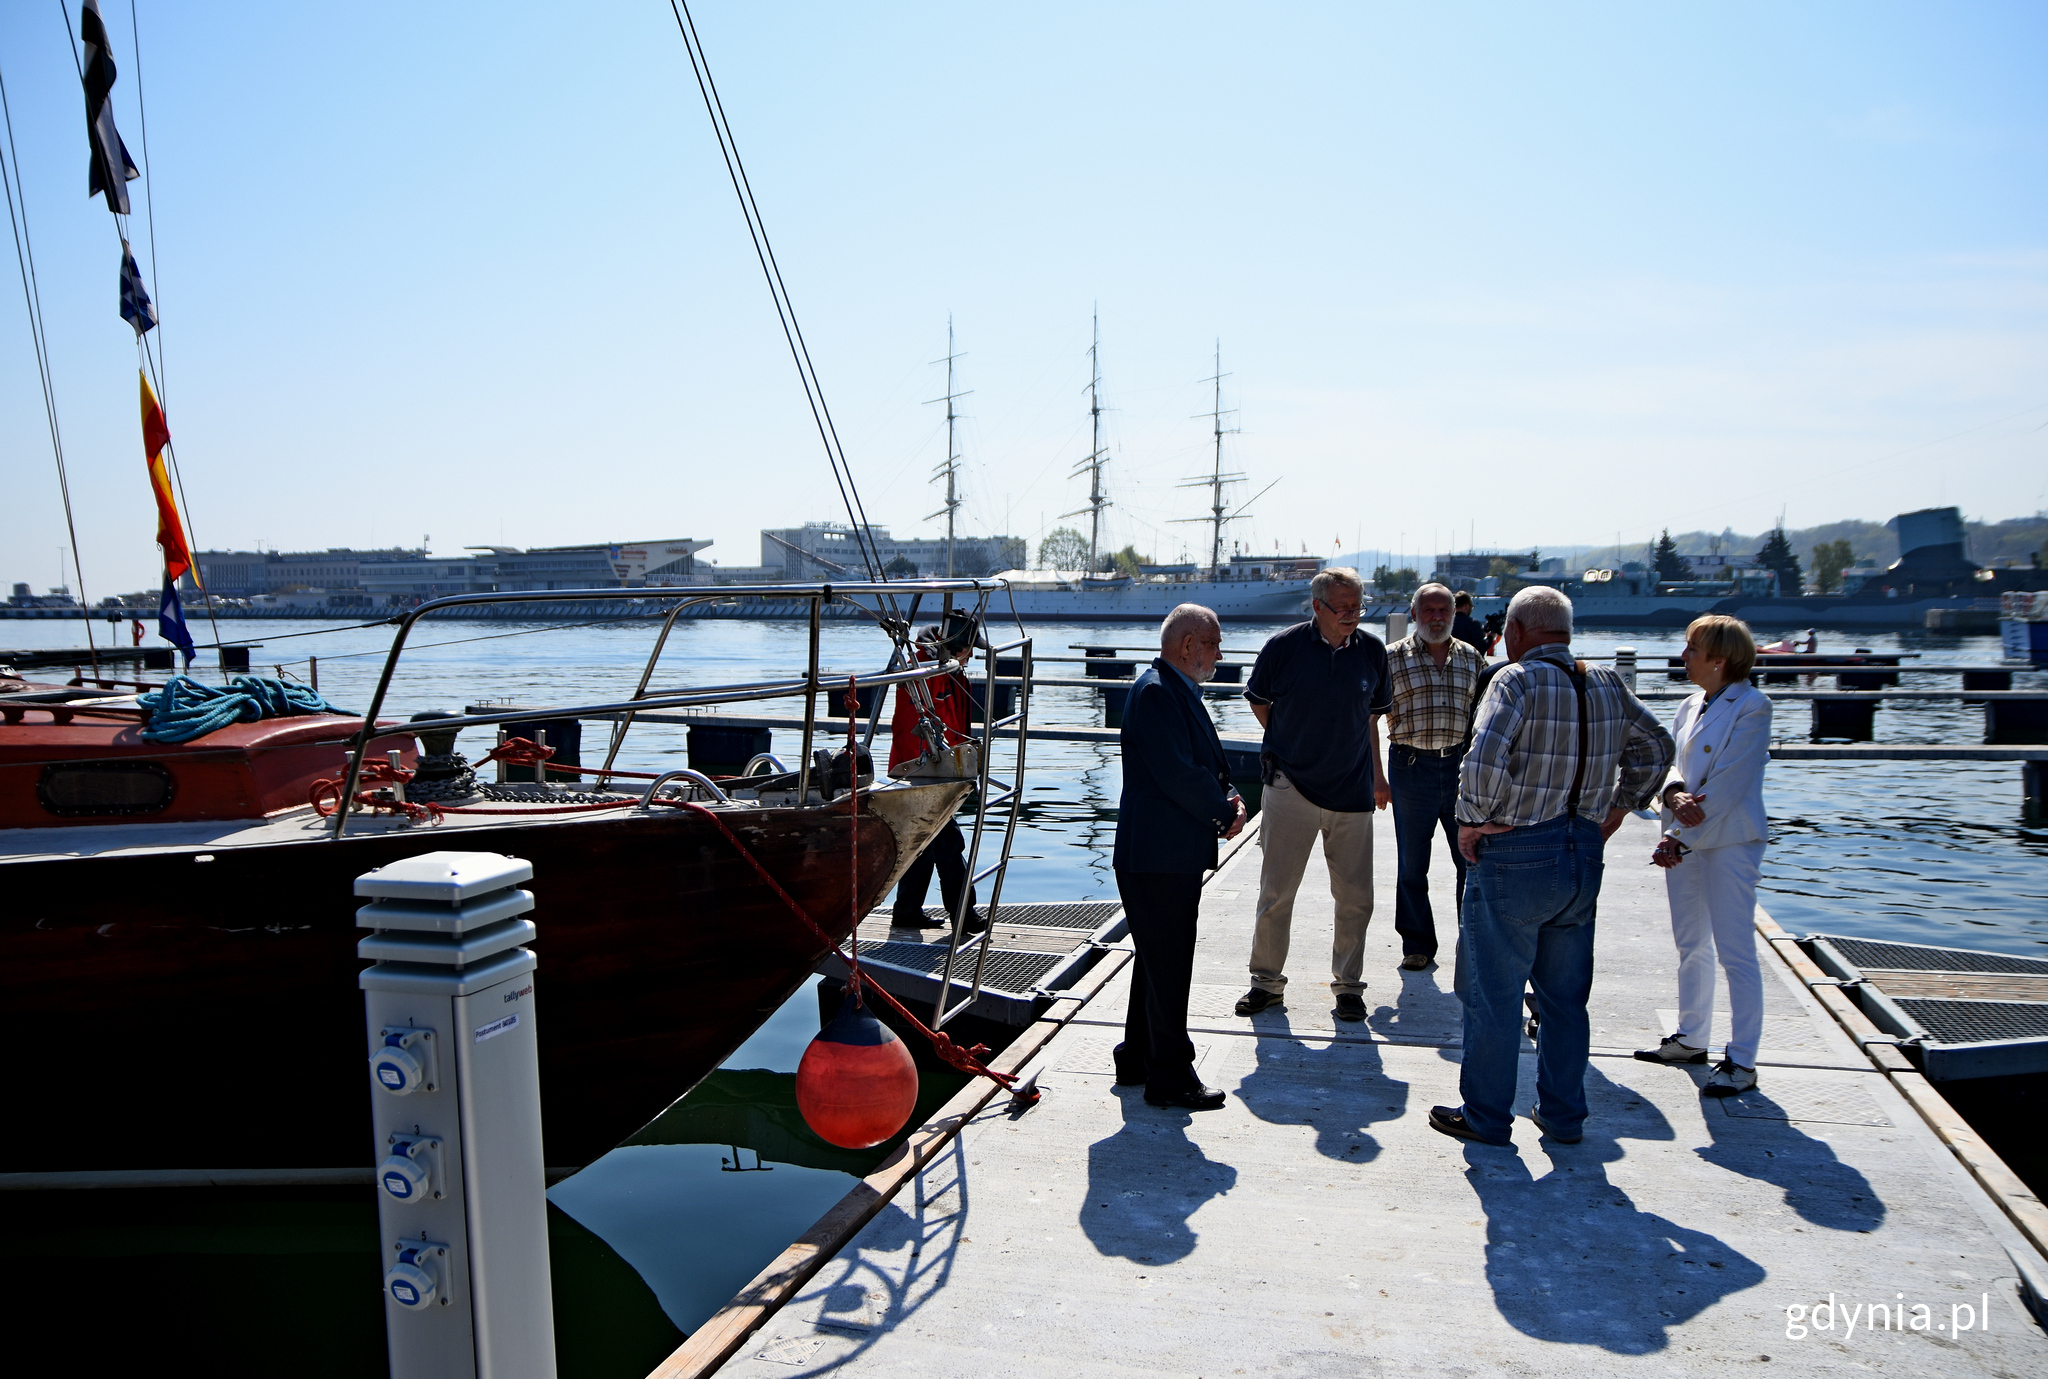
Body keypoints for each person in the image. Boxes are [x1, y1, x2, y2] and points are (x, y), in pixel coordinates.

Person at [1430, 586, 1674, 1148]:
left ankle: (1487, 1117)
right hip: (1582, 853)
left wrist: (1471, 820)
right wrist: (1617, 808)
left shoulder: (1514, 680)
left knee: (1495, 994)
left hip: (1517, 851)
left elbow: (1483, 759)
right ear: (1565, 630)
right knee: (1565, 1000)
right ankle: (1563, 1116)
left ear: (1514, 631)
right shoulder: (1608, 682)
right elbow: (1658, 747)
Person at [1236, 567, 1391, 1023]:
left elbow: (1372, 721)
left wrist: (1378, 777)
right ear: (1317, 607)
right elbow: (1260, 702)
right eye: (1342, 607)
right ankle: (1265, 984)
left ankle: (1348, 987)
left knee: (1356, 896)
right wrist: (1291, 743)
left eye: (1357, 607)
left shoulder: (1373, 652)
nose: (1351, 615)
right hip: (1290, 788)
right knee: (1276, 892)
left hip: (1353, 791)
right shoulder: (1282, 648)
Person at [1113, 603, 1246, 1110]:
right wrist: (1223, 813)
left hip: (1161, 854)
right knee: (1169, 967)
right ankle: (1170, 1077)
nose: (1218, 653)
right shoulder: (1157, 693)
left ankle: (1138, 1056)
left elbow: (1202, 763)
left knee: (1154, 962)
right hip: (1158, 857)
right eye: (1213, 643)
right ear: (1187, 645)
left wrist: (1227, 796)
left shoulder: (1170, 689)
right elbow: (1178, 774)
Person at [1637, 615, 1773, 1097]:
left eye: (1692, 649)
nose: (1684, 656)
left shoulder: (1753, 706)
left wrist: (1678, 837)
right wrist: (1671, 795)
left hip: (1729, 841)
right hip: (1687, 834)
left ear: (1720, 659)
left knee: (1736, 950)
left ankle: (1742, 1058)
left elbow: (1731, 783)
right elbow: (1673, 761)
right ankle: (1692, 1037)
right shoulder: (1692, 703)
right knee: (1690, 941)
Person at [1383, 583, 1485, 971]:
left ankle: (1471, 940)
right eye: (1429, 610)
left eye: (1444, 610)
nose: (1437, 617)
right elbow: (1369, 718)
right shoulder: (1390, 658)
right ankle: (1417, 944)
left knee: (1470, 859)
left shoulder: (1472, 659)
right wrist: (1377, 779)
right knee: (1412, 863)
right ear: (1414, 614)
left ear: (1455, 615)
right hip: (1410, 768)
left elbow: (1482, 721)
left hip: (1461, 768)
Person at [887, 610, 984, 933]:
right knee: (949, 845)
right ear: (960, 647)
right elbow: (912, 728)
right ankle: (965, 917)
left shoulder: (945, 673)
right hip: (924, 774)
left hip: (938, 771)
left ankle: (906, 910)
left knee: (923, 844)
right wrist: (931, 773)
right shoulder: (928, 674)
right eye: (970, 649)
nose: (972, 656)